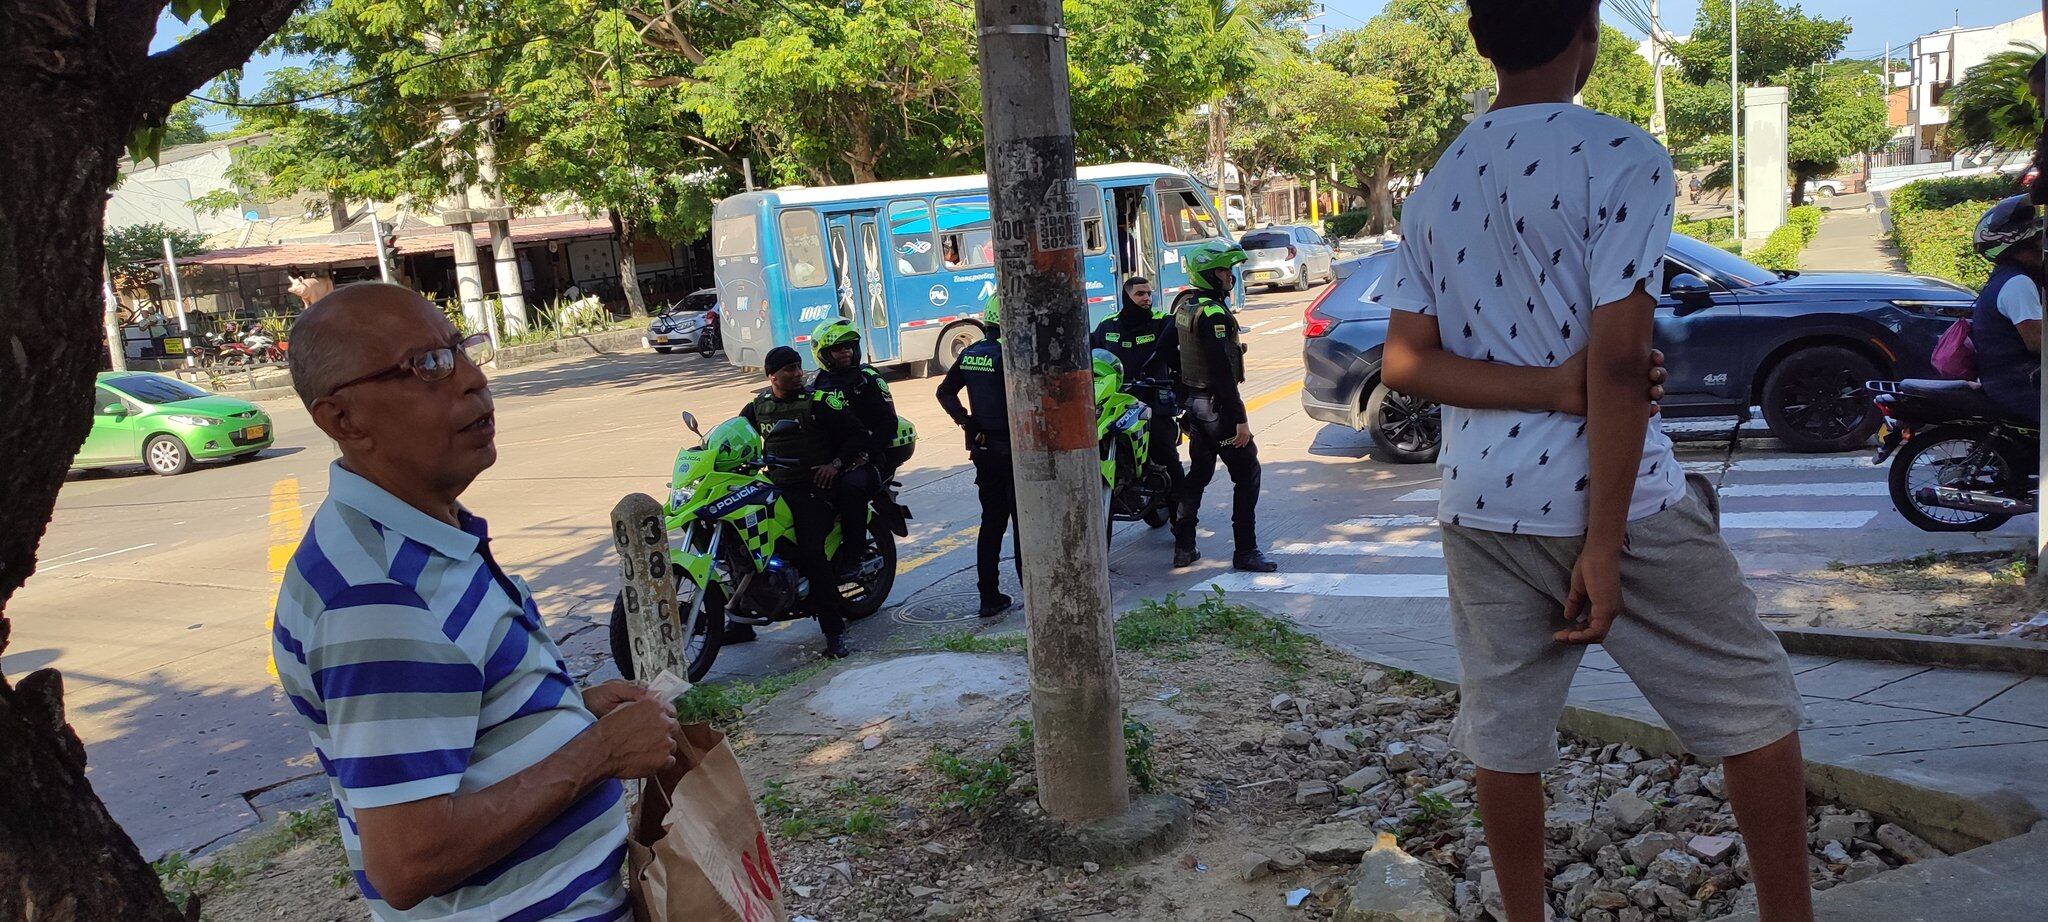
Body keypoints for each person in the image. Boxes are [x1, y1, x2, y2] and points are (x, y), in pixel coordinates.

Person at [1378, 5, 1812, 921]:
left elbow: (1405, 364)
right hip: (1619, 502)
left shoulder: (1437, 181)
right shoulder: (1619, 153)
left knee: (1505, 731)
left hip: (1479, 503)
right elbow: (1617, 364)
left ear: (1475, 35)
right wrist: (1603, 545)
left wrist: (1546, 385)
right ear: (1590, 34)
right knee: (1753, 702)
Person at [273, 282, 678, 919]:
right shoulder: (377, 597)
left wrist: (561, 709)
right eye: (425, 365)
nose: (472, 378)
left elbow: (453, 705)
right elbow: (409, 861)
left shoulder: (423, 531)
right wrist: (596, 753)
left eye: (459, 349)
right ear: (341, 421)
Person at [739, 345, 871, 658]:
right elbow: (737, 436)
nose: (798, 374)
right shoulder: (758, 407)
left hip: (813, 489)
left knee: (812, 553)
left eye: (799, 367)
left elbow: (859, 435)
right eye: (789, 369)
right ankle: (737, 622)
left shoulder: (819, 402)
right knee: (740, 545)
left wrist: (835, 464)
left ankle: (834, 632)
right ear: (772, 376)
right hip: (774, 487)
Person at [1169, 242, 1276, 573]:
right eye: (1222, 271)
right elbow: (1222, 374)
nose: (1230, 277)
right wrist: (1240, 420)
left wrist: (1182, 395)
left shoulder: (1186, 307)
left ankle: (1184, 546)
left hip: (1196, 408)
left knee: (1199, 474)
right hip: (1218, 410)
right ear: (1209, 275)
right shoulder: (1213, 315)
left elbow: (1166, 352)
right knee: (1247, 473)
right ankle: (1246, 551)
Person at [936, 297, 1020, 618]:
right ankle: (1033, 588)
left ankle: (988, 596)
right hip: (1015, 449)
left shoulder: (971, 353)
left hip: (984, 450)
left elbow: (944, 392)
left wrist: (967, 421)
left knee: (992, 523)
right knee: (1025, 523)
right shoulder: (1011, 356)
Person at [1093, 276, 1185, 520]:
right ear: (1126, 297)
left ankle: (1183, 531)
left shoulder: (1162, 322)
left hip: (1153, 403)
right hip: (1115, 403)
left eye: (1148, 293)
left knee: (1168, 457)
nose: (1146, 298)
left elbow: (1181, 353)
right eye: (1139, 294)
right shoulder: (1108, 325)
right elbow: (1090, 354)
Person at [1971, 195, 2044, 425]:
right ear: (2020, 246)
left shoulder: (2004, 279)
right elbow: (2037, 342)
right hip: (2018, 386)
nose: (2042, 249)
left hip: (2003, 380)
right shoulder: (2018, 284)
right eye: (2038, 243)